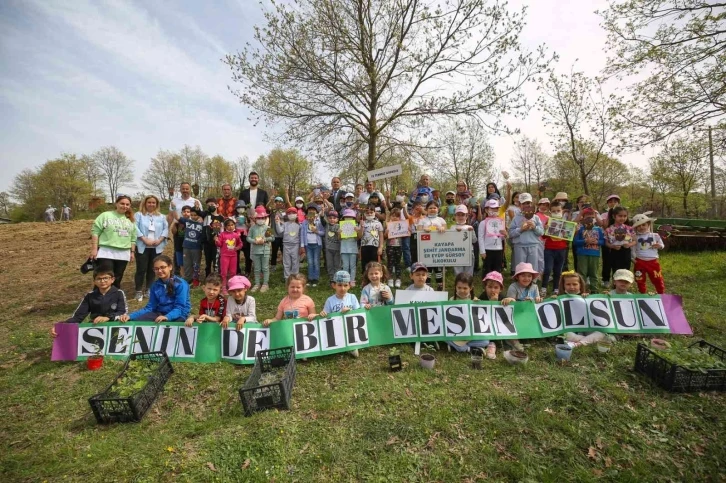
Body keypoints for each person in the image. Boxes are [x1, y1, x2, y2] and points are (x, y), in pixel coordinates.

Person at [50, 269, 127, 337]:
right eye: (99, 279)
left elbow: (122, 312)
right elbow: (78, 316)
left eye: (105, 278)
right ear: (94, 281)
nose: (102, 281)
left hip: (114, 327)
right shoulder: (90, 296)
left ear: (112, 279)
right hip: (95, 328)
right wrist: (61, 326)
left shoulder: (119, 293)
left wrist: (108, 318)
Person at [121, 255, 191, 323]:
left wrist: (167, 317)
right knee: (137, 321)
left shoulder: (181, 284)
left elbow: (180, 308)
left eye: (162, 267)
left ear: (170, 267)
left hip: (178, 315)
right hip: (159, 313)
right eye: (156, 269)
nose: (159, 271)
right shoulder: (155, 285)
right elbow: (150, 307)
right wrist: (130, 316)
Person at [558, 271, 615, 348]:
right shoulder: (558, 298)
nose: (571, 287)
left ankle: (577, 344)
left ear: (580, 285)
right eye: (568, 284)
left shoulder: (586, 297)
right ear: (563, 285)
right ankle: (589, 341)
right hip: (570, 330)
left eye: (575, 284)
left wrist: (604, 297)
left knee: (600, 333)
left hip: (586, 328)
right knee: (565, 334)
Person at [91, 194, 136, 288]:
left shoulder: (131, 220)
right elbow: (95, 232)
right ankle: (98, 298)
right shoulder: (105, 215)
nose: (125, 206)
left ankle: (114, 298)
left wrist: (132, 252)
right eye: (122, 203)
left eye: (127, 204)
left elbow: (133, 238)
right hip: (106, 251)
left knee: (117, 278)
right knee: (104, 277)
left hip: (123, 253)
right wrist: (94, 249)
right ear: (116, 204)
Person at [447, 272, 496, 358]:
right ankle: (469, 349)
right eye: (459, 288)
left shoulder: (475, 300)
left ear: (471, 288)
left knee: (485, 342)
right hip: (456, 335)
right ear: (455, 287)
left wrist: (478, 306)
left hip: (470, 335)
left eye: (465, 288)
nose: (462, 290)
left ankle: (458, 347)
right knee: (444, 338)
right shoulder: (451, 300)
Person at [134, 195, 168, 302]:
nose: (151, 204)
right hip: (142, 246)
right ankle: (138, 290)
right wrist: (144, 239)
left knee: (153, 269)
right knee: (141, 268)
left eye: (154, 203)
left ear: (156, 204)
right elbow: (135, 228)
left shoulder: (162, 217)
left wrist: (160, 240)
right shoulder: (139, 215)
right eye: (149, 202)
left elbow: (165, 229)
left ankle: (149, 289)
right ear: (145, 203)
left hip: (156, 246)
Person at [508, 193, 544, 279]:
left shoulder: (536, 218)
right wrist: (520, 229)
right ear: (519, 205)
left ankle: (532, 284)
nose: (526, 205)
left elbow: (541, 232)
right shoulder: (516, 218)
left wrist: (534, 227)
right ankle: (519, 283)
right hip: (520, 246)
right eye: (524, 203)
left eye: (528, 203)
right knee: (520, 267)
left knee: (532, 267)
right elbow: (511, 233)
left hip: (533, 245)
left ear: (531, 204)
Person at [631, 212, 666, 294]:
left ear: (648, 224)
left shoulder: (655, 235)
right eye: (638, 226)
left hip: (653, 261)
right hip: (640, 261)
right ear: (636, 227)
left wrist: (659, 245)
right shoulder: (635, 237)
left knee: (657, 278)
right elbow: (632, 249)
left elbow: (662, 245)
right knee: (639, 279)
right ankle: (642, 293)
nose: (641, 227)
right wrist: (633, 259)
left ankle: (661, 293)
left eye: (643, 225)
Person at [573, 208, 605, 292]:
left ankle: (594, 290)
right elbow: (575, 242)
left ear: (595, 217)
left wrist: (597, 242)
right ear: (583, 218)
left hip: (595, 254)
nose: (590, 218)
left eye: (592, 216)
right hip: (582, 254)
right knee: (582, 273)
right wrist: (585, 241)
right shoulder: (580, 229)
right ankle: (582, 289)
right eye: (587, 217)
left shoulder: (598, 229)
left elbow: (603, 241)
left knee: (593, 273)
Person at [419, 200, 447, 290]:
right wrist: (424, 229)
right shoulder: (423, 220)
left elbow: (447, 233)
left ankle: (440, 287)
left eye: (434, 208)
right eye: (430, 208)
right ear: (426, 209)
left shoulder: (441, 220)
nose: (432, 209)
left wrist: (442, 228)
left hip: (439, 249)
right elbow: (418, 231)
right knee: (428, 269)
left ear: (438, 209)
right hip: (426, 249)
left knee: (439, 270)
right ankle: (427, 288)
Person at [542, 201, 568, 296]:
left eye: (558, 210)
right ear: (550, 212)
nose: (556, 212)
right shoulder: (548, 222)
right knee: (548, 269)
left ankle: (556, 288)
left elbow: (568, 237)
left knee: (558, 270)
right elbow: (543, 237)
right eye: (554, 211)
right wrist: (545, 229)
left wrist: (573, 231)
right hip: (549, 249)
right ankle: (544, 287)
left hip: (561, 249)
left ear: (562, 211)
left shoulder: (566, 223)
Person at [247, 206, 275, 293]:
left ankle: (265, 284)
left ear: (265, 218)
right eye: (258, 218)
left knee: (265, 268)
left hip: (265, 251)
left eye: (262, 218)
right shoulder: (252, 228)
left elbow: (272, 238)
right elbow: (248, 238)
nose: (260, 219)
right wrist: (254, 241)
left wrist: (265, 239)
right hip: (255, 251)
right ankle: (257, 283)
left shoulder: (267, 228)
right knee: (257, 268)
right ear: (255, 218)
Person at [194, 198, 225, 278]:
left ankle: (216, 277)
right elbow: (199, 212)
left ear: (217, 205)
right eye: (208, 206)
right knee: (208, 261)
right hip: (206, 242)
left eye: (212, 205)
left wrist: (220, 239)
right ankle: (207, 277)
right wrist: (197, 208)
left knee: (216, 261)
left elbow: (222, 231)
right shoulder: (206, 214)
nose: (210, 207)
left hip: (216, 243)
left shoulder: (221, 218)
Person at [604, 206, 636, 282]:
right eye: (620, 216)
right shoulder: (609, 229)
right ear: (614, 216)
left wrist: (629, 245)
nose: (622, 218)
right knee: (616, 270)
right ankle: (615, 287)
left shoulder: (629, 229)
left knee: (626, 270)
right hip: (615, 252)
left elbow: (635, 241)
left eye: (625, 216)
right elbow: (606, 242)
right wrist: (612, 246)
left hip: (626, 252)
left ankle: (624, 286)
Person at [177, 205, 204, 287]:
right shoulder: (187, 221)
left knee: (196, 264)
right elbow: (177, 217)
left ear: (199, 215)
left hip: (196, 248)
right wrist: (174, 208)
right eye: (191, 215)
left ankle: (196, 279)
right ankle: (188, 278)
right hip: (186, 246)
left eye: (195, 215)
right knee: (187, 263)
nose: (193, 217)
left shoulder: (202, 224)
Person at [274, 207, 303, 280]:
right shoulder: (285, 224)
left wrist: (301, 247)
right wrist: (277, 223)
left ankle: (295, 276)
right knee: (286, 262)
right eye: (289, 213)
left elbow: (301, 236)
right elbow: (279, 231)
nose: (291, 215)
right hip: (286, 245)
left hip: (295, 245)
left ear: (296, 214)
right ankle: (287, 277)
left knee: (295, 262)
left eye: (293, 213)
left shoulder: (299, 225)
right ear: (287, 215)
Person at [216, 218, 243, 294]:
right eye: (228, 225)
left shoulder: (236, 235)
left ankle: (231, 285)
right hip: (224, 256)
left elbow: (240, 243)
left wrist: (237, 248)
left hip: (233, 256)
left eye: (232, 225)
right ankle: (223, 287)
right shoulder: (222, 234)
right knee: (224, 272)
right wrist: (216, 241)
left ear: (234, 225)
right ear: (225, 227)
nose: (230, 227)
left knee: (233, 272)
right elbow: (219, 244)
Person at [479, 199, 506, 275]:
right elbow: (480, 237)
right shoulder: (483, 223)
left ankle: (497, 283)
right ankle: (487, 284)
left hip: (498, 249)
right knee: (487, 269)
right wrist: (482, 251)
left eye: (496, 208)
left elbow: (501, 237)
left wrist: (505, 235)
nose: (494, 210)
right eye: (492, 208)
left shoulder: (500, 222)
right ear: (486, 210)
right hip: (488, 250)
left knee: (498, 268)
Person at [384, 208, 407, 288]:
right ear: (390, 216)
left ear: (399, 217)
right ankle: (390, 279)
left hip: (399, 246)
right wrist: (386, 233)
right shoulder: (387, 225)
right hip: (390, 246)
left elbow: (405, 235)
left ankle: (398, 279)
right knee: (390, 262)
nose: (394, 218)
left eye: (397, 216)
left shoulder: (402, 225)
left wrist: (405, 231)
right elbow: (384, 237)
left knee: (398, 263)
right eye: (393, 216)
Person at [359, 204, 384, 275]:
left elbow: (381, 235)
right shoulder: (362, 223)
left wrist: (381, 247)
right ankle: (365, 279)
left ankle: (375, 276)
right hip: (364, 246)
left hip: (375, 246)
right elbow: (360, 236)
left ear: (374, 212)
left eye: (371, 212)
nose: (369, 214)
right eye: (367, 212)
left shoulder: (378, 223)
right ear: (365, 213)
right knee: (365, 264)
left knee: (374, 263)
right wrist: (361, 227)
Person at [452, 205, 477, 276]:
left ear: (466, 216)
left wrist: (472, 232)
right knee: (458, 273)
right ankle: (458, 286)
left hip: (468, 253)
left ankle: (469, 285)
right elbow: (450, 241)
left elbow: (474, 241)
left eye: (463, 215)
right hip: (456, 253)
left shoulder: (469, 227)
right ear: (455, 216)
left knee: (469, 272)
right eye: (458, 215)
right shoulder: (452, 227)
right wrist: (455, 231)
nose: (460, 217)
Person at [339, 209, 360, 287]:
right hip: (344, 249)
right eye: (346, 217)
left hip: (353, 249)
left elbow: (357, 238)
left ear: (353, 218)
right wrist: (339, 233)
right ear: (344, 218)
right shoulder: (341, 226)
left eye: (350, 217)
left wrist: (358, 232)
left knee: (352, 265)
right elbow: (339, 238)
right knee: (345, 266)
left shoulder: (356, 226)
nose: (348, 218)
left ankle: (352, 280)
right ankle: (346, 280)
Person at [322, 209, 342, 281]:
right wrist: (323, 209)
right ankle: (332, 279)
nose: (332, 220)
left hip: (337, 249)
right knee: (330, 264)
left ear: (337, 219)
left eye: (334, 218)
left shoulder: (340, 226)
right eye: (330, 218)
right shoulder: (326, 225)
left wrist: (339, 232)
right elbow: (322, 218)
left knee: (337, 265)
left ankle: (338, 279)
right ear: (327, 219)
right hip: (328, 249)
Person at [268, 195, 287, 272]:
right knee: (274, 251)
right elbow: (267, 207)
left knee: (284, 251)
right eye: (277, 202)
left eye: (280, 202)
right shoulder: (272, 211)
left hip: (283, 235)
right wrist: (271, 200)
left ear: (282, 203)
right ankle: (273, 266)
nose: (278, 203)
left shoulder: (284, 212)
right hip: (274, 235)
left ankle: (285, 265)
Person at [171, 205, 190, 275]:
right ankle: (183, 277)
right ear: (181, 213)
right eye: (184, 211)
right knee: (181, 263)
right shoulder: (177, 222)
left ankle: (189, 277)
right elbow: (174, 232)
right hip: (179, 246)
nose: (186, 213)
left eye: (188, 212)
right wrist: (174, 224)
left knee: (188, 262)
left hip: (188, 246)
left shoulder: (191, 222)